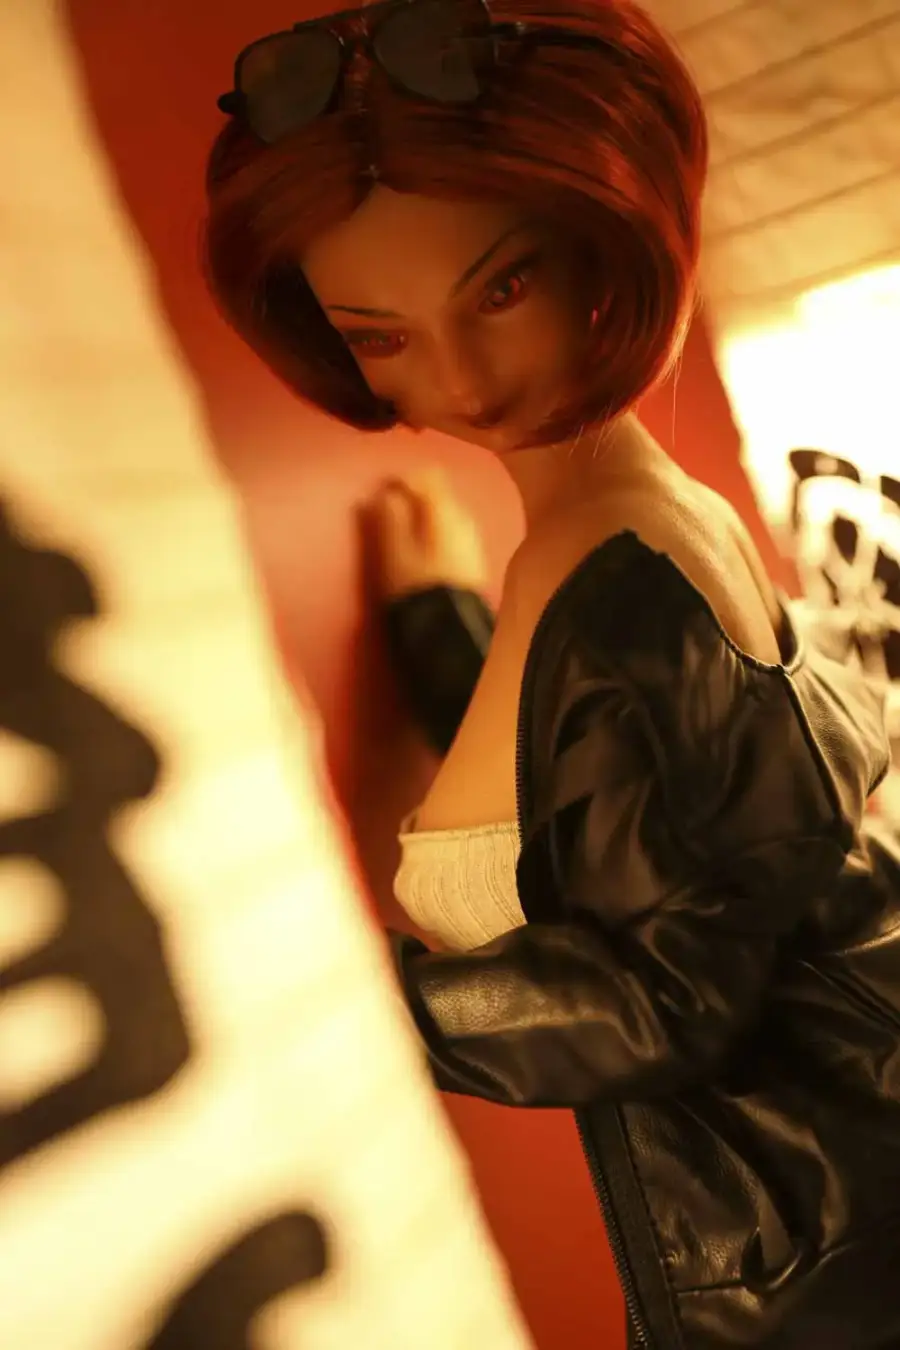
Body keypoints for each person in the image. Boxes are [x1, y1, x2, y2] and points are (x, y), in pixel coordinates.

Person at [202, 1, 900, 1345]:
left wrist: (329, 996)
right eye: (382, 334)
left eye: (500, 288)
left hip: (821, 1276)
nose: (461, 378)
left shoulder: (621, 570)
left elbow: (664, 997)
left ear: (600, 240)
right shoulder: (633, 536)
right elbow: (618, 799)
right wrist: (439, 629)